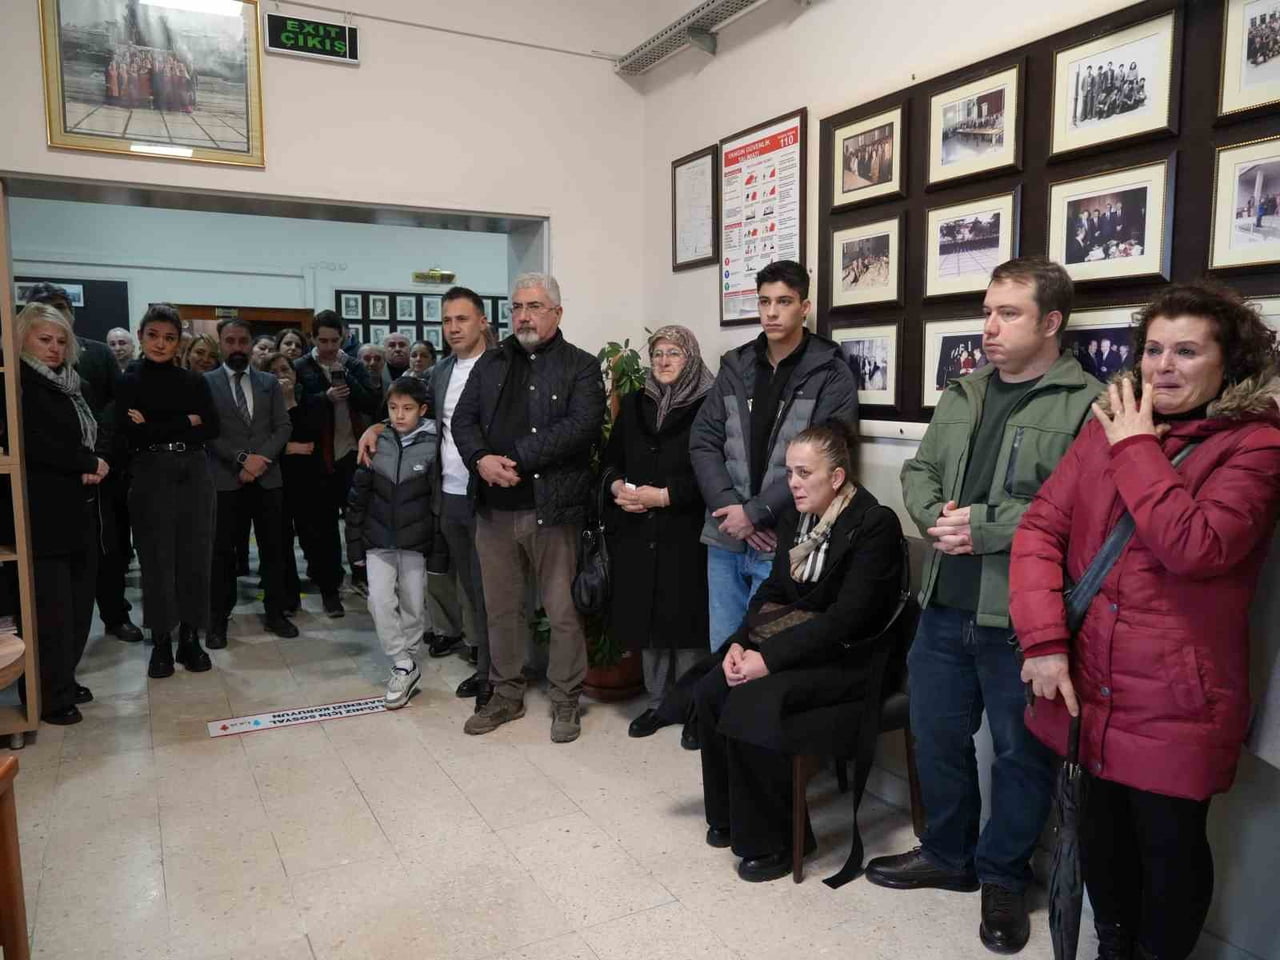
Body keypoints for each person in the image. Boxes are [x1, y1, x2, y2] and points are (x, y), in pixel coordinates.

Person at [1010, 284, 1280, 960]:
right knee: (1101, 840)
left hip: (1176, 698)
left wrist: (1136, 447)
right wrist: (1043, 642)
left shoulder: (1256, 444)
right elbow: (1040, 528)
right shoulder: (1106, 428)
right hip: (1085, 683)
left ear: (1230, 362)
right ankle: (1114, 945)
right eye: (1154, 349)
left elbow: (1197, 547)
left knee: (1170, 850)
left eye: (1187, 350)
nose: (1164, 365)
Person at [868, 257, 1102, 954]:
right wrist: (929, 512)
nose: (989, 327)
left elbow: (1081, 511)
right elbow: (921, 470)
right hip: (942, 602)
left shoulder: (1087, 404)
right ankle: (947, 852)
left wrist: (987, 526)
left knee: (1020, 756)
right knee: (935, 737)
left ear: (1052, 323)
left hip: (1020, 619)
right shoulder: (963, 391)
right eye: (987, 310)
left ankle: (1004, 876)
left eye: (1010, 314)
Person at [693, 422, 904, 882]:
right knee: (713, 686)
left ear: (837, 478)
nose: (792, 483)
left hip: (853, 660)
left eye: (804, 473)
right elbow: (772, 590)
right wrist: (739, 643)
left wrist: (766, 660)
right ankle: (729, 815)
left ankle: (778, 842)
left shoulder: (873, 524)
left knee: (753, 696)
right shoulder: (798, 518)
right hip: (803, 646)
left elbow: (846, 620)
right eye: (789, 472)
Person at [452, 272, 604, 743]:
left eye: (535, 306)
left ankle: (565, 700)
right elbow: (463, 420)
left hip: (553, 510)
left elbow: (582, 426)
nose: (523, 315)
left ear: (557, 312)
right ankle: (506, 695)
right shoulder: (491, 362)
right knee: (501, 610)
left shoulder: (580, 365)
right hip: (494, 510)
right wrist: (480, 460)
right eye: (517, 306)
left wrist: (513, 458)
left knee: (561, 610)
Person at [690, 259, 858, 654]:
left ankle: (750, 718)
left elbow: (827, 461)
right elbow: (703, 441)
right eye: (764, 301)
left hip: (786, 537)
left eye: (783, 301)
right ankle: (719, 718)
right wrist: (734, 510)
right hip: (726, 532)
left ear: (805, 306)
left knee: (767, 652)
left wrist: (758, 512)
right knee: (722, 648)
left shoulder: (830, 372)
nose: (771, 312)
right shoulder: (736, 365)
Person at [357, 288, 495, 706]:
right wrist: (379, 426)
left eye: (462, 319)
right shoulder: (440, 372)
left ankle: (502, 673)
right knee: (470, 590)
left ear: (483, 321)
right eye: (447, 320)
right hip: (448, 495)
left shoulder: (501, 366)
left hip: (492, 495)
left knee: (497, 592)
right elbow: (413, 413)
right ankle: (487, 669)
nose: (453, 328)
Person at [604, 325, 713, 743]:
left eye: (674, 353)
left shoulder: (710, 403)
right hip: (636, 528)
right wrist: (617, 488)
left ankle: (687, 705)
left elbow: (716, 473)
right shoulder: (634, 402)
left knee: (685, 620)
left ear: (692, 357)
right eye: (658, 354)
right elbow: (611, 461)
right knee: (648, 621)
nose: (664, 361)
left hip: (686, 529)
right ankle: (655, 703)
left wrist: (665, 497)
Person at [23, 283, 141, 645]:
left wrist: (101, 457)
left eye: (60, 306)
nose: (55, 314)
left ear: (72, 313)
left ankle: (115, 614)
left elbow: (115, 407)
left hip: (105, 470)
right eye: (44, 307)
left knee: (111, 549)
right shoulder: (20, 367)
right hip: (53, 479)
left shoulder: (98, 353)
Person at [115, 304, 221, 679]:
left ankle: (190, 638)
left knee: (196, 557)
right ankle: (161, 641)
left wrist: (156, 424)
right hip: (150, 471)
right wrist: (182, 423)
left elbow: (210, 428)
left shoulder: (194, 381)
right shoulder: (130, 379)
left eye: (170, 337)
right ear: (142, 337)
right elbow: (129, 431)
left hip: (194, 470)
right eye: (153, 336)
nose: (161, 344)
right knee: (157, 561)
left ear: (179, 342)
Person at [15, 304, 108, 725]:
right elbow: (34, 445)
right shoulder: (19, 384)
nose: (54, 349)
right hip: (43, 511)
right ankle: (49, 694)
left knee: (77, 602)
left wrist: (96, 460)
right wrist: (85, 464)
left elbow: (94, 433)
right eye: (44, 340)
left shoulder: (74, 384)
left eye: (60, 341)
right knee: (50, 610)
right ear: (23, 338)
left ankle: (64, 679)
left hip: (80, 508)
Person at [347, 377, 445, 709]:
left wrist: (437, 542)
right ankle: (402, 661)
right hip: (378, 539)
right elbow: (357, 498)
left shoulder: (435, 444)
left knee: (414, 603)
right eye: (393, 408)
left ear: (423, 410)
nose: (399, 415)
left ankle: (409, 657)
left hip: (416, 541)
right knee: (378, 600)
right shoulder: (376, 442)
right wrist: (354, 547)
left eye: (407, 409)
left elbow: (437, 499)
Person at [205, 319, 297, 647]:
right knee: (223, 553)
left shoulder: (270, 383)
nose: (238, 347)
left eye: (243, 341)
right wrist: (243, 460)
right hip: (226, 480)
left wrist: (259, 461)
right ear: (221, 344)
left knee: (275, 549)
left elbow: (283, 426)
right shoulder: (206, 383)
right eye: (230, 341)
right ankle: (218, 619)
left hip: (268, 479)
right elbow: (208, 432)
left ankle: (275, 613)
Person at [292, 310, 381, 615]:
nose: (329, 347)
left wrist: (346, 380)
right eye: (323, 340)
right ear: (313, 339)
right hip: (317, 459)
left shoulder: (353, 363)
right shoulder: (300, 367)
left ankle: (362, 576)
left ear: (343, 337)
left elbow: (372, 402)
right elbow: (296, 413)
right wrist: (325, 397)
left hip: (353, 454)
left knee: (359, 522)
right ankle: (330, 589)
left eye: (335, 340)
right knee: (323, 528)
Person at [265, 352, 326, 616]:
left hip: (306, 479)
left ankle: (328, 589)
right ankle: (288, 597)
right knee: (280, 541)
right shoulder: (262, 405)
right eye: (275, 371)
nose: (282, 376)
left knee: (313, 535)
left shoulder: (309, 401)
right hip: (275, 479)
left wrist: (289, 401)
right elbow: (264, 442)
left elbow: (309, 440)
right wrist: (284, 448)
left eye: (285, 370)